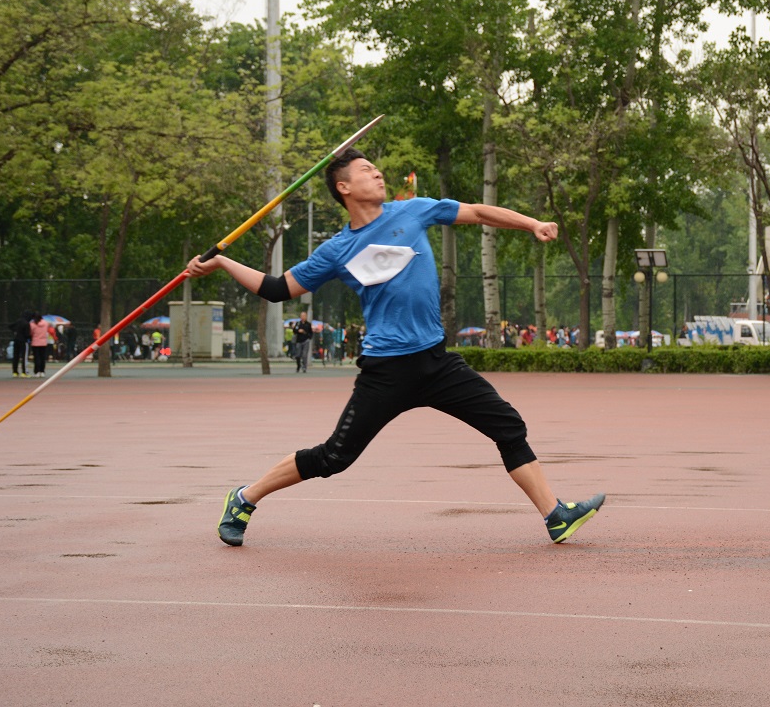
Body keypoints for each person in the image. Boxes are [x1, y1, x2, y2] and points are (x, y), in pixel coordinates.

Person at [187, 149, 604, 547]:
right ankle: (244, 498)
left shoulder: (413, 209)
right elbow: (277, 289)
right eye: (367, 170)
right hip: (386, 371)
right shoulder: (336, 250)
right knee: (334, 457)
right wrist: (222, 262)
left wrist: (530, 222)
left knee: (507, 426)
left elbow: (477, 212)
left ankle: (555, 515)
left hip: (437, 363)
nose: (378, 173)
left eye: (376, 168)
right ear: (344, 188)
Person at [9, 311, 32, 378]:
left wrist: (15, 331)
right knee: (24, 357)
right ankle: (24, 372)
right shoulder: (26, 323)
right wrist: (29, 339)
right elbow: (27, 334)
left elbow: (10, 326)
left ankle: (15, 372)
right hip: (23, 341)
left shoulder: (18, 321)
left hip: (16, 340)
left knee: (15, 356)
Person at [29, 313, 50, 378]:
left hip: (35, 342)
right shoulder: (46, 323)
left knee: (36, 358)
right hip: (44, 342)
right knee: (42, 358)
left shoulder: (32, 324)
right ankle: (42, 371)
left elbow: (31, 333)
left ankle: (37, 371)